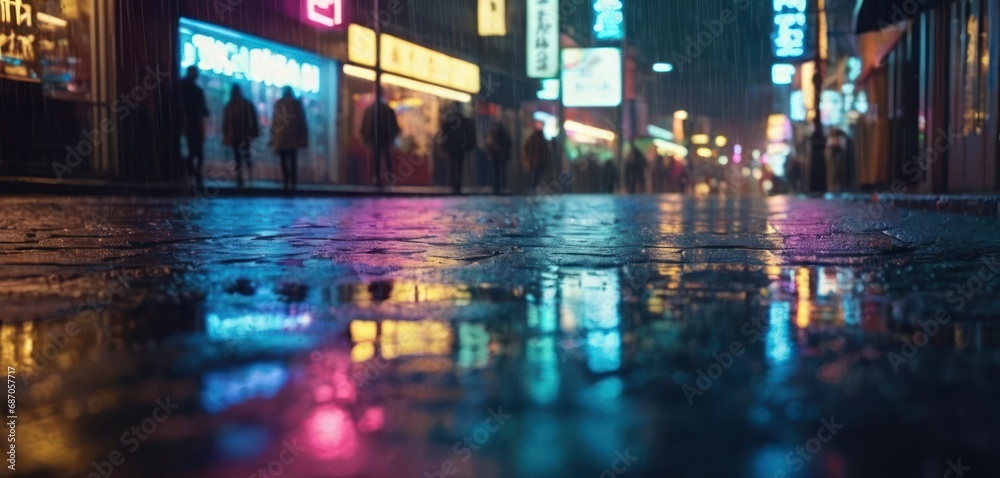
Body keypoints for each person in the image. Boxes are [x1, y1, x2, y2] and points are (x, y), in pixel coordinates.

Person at [360, 87, 401, 189]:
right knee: (385, 159)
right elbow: (395, 127)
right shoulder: (387, 110)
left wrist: (366, 138)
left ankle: (377, 179)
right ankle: (387, 181)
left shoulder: (371, 109)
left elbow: (364, 127)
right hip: (384, 139)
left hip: (377, 139)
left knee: (377, 159)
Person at [271, 86, 309, 191]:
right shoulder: (293, 104)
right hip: (287, 138)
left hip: (287, 138)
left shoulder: (288, 104)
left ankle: (289, 182)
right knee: (289, 161)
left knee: (289, 161)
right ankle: (289, 182)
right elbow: (275, 121)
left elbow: (275, 122)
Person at [222, 84, 259, 188]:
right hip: (239, 135)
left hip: (242, 135)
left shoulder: (234, 105)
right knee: (241, 157)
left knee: (243, 157)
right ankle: (243, 178)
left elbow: (252, 119)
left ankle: (244, 178)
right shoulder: (236, 105)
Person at [180, 66, 208, 189]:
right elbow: (203, 109)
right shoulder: (192, 90)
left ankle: (192, 172)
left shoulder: (185, 88)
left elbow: (203, 109)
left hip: (193, 123)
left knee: (195, 150)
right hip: (192, 123)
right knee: (195, 150)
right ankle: (193, 172)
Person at [440, 103, 476, 195]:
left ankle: (455, 185)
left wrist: (445, 145)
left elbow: (444, 134)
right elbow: (469, 134)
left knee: (454, 166)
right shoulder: (463, 120)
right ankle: (457, 185)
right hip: (459, 147)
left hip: (456, 147)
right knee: (458, 166)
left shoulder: (451, 120)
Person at [521, 126, 551, 192]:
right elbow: (526, 149)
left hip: (540, 161)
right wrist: (528, 158)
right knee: (535, 175)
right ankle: (534, 188)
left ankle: (537, 188)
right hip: (536, 161)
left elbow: (546, 152)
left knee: (539, 175)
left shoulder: (541, 140)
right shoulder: (533, 139)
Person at [486, 121, 513, 194]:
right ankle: (501, 187)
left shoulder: (494, 132)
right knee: (501, 172)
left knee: (496, 172)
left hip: (496, 155)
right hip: (500, 155)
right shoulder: (504, 132)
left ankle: (497, 187)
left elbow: (490, 144)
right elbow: (509, 143)